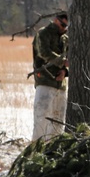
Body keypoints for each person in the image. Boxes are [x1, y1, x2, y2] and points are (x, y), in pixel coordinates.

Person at [31, 12, 68, 141]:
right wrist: (62, 62)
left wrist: (64, 71)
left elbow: (68, 58)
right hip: (45, 81)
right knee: (41, 117)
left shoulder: (65, 39)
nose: (64, 28)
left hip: (61, 86)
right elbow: (44, 53)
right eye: (62, 24)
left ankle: (53, 149)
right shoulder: (43, 33)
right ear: (55, 20)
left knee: (59, 120)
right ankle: (36, 148)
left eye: (66, 26)